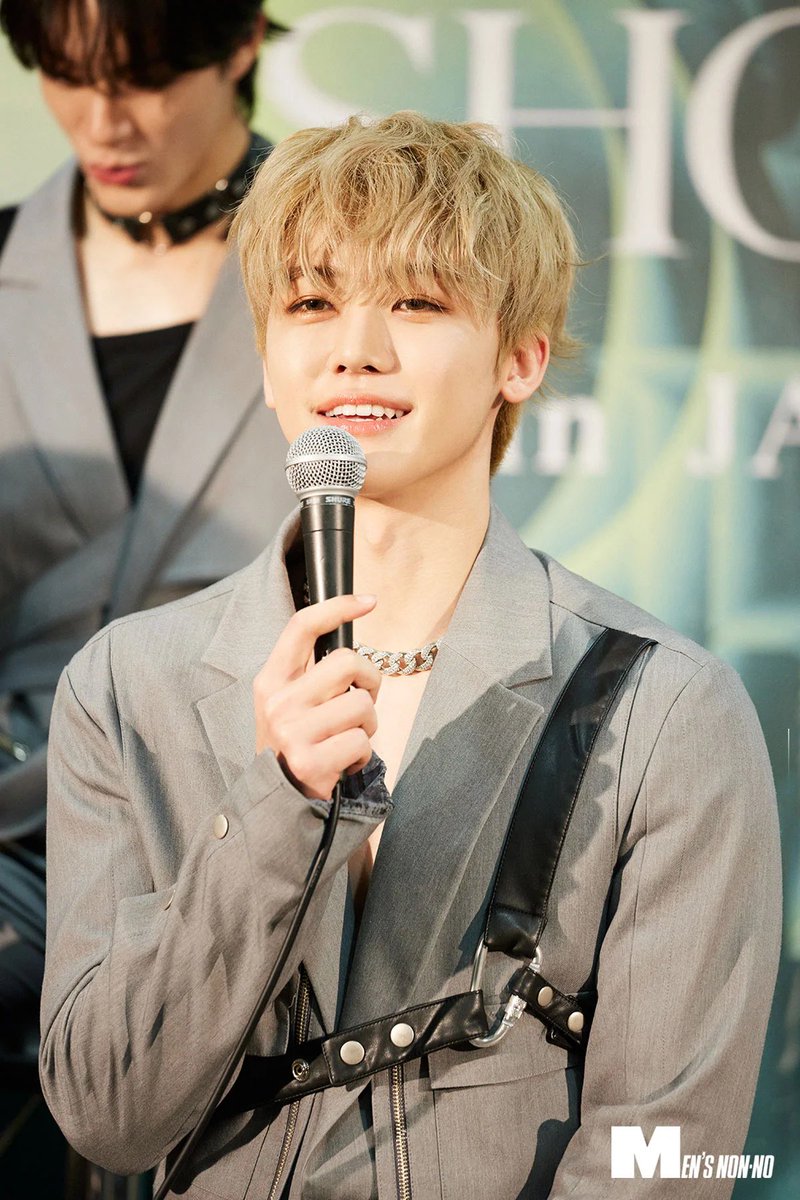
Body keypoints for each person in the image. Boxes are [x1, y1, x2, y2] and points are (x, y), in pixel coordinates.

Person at [41, 112, 781, 1199]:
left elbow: (668, 1149)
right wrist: (276, 803)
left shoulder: (664, 708)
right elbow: (107, 1111)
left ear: (520, 358)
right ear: (266, 361)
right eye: (311, 304)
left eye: (417, 303)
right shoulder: (125, 685)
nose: (355, 348)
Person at [0, 0, 294, 1061]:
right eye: (69, 76)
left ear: (241, 40)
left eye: (143, 80)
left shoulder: (347, 277)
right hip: (19, 827)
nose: (102, 124)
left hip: (258, 827)